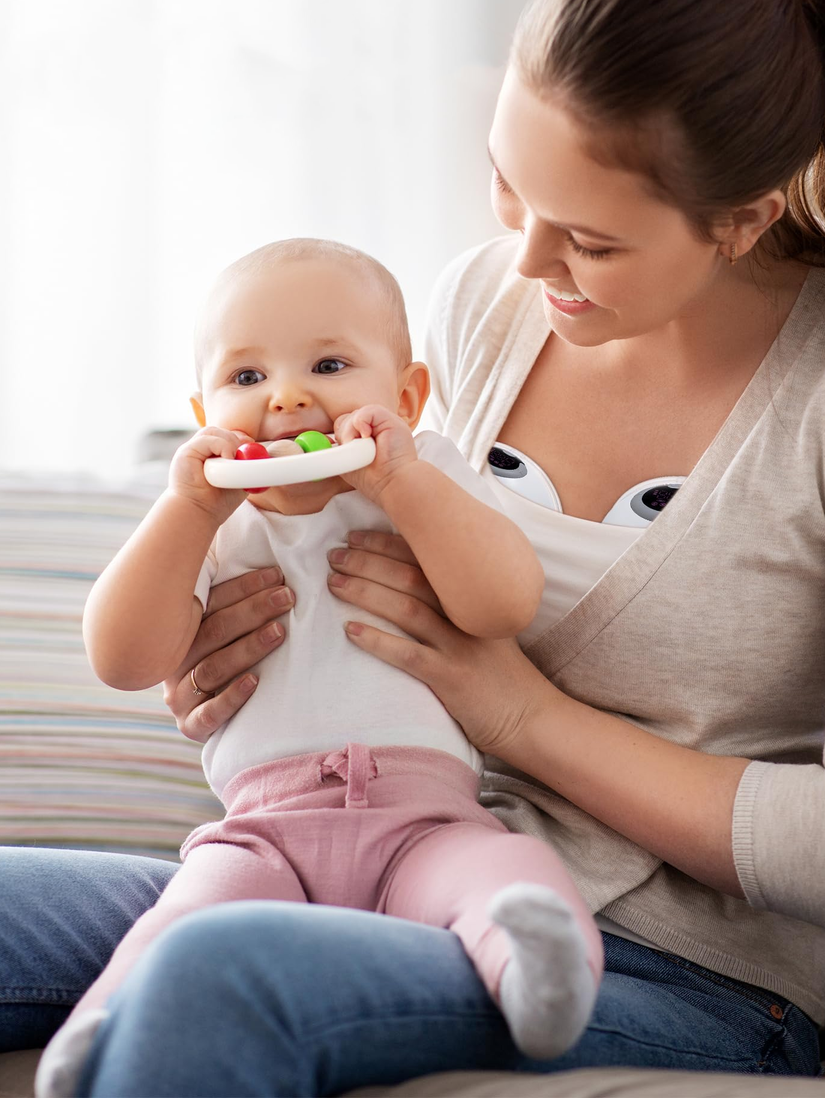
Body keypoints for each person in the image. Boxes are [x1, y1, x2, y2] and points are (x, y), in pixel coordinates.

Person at [0, 0, 825, 1095]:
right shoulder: (488, 306)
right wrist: (226, 653)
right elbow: (358, 552)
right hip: (343, 867)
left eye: (592, 242)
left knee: (226, 972)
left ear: (744, 217)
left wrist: (519, 717)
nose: (524, 262)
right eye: (511, 187)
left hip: (670, 968)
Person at [34, 238, 603, 1096]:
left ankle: (537, 969)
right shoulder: (211, 524)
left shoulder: (428, 480)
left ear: (406, 396)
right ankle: (105, 1025)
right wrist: (185, 509)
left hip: (426, 819)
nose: (288, 396)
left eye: (329, 365)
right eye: (247, 378)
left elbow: (503, 605)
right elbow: (122, 659)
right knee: (188, 920)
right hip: (263, 834)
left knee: (500, 875)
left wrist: (403, 482)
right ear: (204, 413)